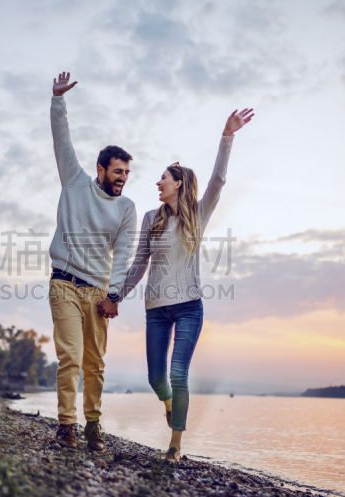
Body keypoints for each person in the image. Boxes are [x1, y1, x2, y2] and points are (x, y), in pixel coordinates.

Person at [102, 107, 254, 463]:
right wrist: (115, 296)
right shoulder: (150, 218)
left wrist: (227, 136)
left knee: (178, 372)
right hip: (155, 309)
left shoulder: (197, 216)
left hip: (188, 306)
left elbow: (217, 181)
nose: (157, 183)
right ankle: (171, 406)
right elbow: (138, 265)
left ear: (179, 183)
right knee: (158, 380)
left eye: (163, 178)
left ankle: (175, 445)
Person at [48, 72, 137, 451]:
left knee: (94, 364)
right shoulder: (74, 180)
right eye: (118, 172)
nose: (123, 179)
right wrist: (57, 100)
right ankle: (66, 425)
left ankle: (93, 426)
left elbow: (124, 257)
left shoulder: (126, 209)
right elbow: (61, 140)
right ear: (101, 169)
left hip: (97, 291)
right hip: (64, 283)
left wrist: (114, 295)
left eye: (127, 173)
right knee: (69, 356)